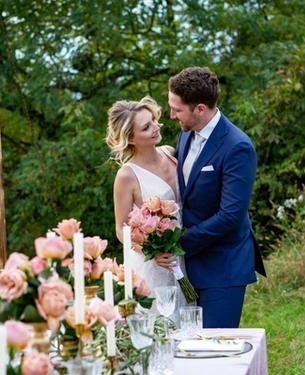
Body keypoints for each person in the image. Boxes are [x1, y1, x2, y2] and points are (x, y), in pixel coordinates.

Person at [168, 66, 266, 328]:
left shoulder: (237, 147)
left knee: (215, 349)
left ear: (200, 108)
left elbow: (231, 216)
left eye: (177, 109)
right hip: (191, 266)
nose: (171, 115)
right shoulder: (185, 134)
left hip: (224, 266)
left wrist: (179, 244)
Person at [105, 96, 189, 314]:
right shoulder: (126, 175)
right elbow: (121, 229)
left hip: (183, 254)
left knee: (187, 316)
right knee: (160, 323)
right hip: (153, 265)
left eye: (153, 120)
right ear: (131, 138)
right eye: (146, 127)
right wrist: (151, 250)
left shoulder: (170, 152)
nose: (155, 127)